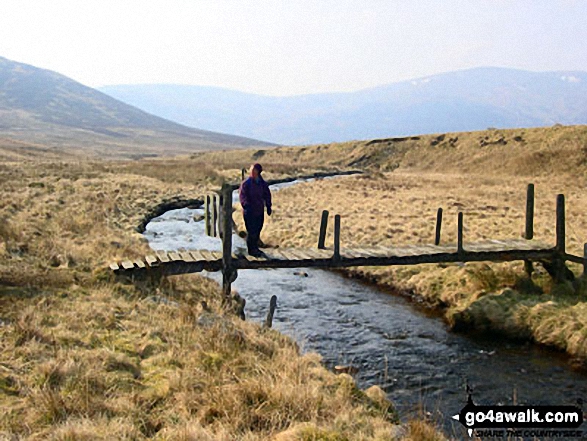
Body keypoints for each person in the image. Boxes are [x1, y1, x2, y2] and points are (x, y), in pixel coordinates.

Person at [239, 163, 272, 256]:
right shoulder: (246, 183)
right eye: (251, 170)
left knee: (258, 229)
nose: (252, 172)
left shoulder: (262, 183)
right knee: (251, 230)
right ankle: (251, 250)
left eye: (254, 170)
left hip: (259, 210)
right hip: (249, 211)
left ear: (259, 172)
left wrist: (268, 206)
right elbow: (242, 196)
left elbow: (267, 195)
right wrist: (246, 205)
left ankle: (255, 248)